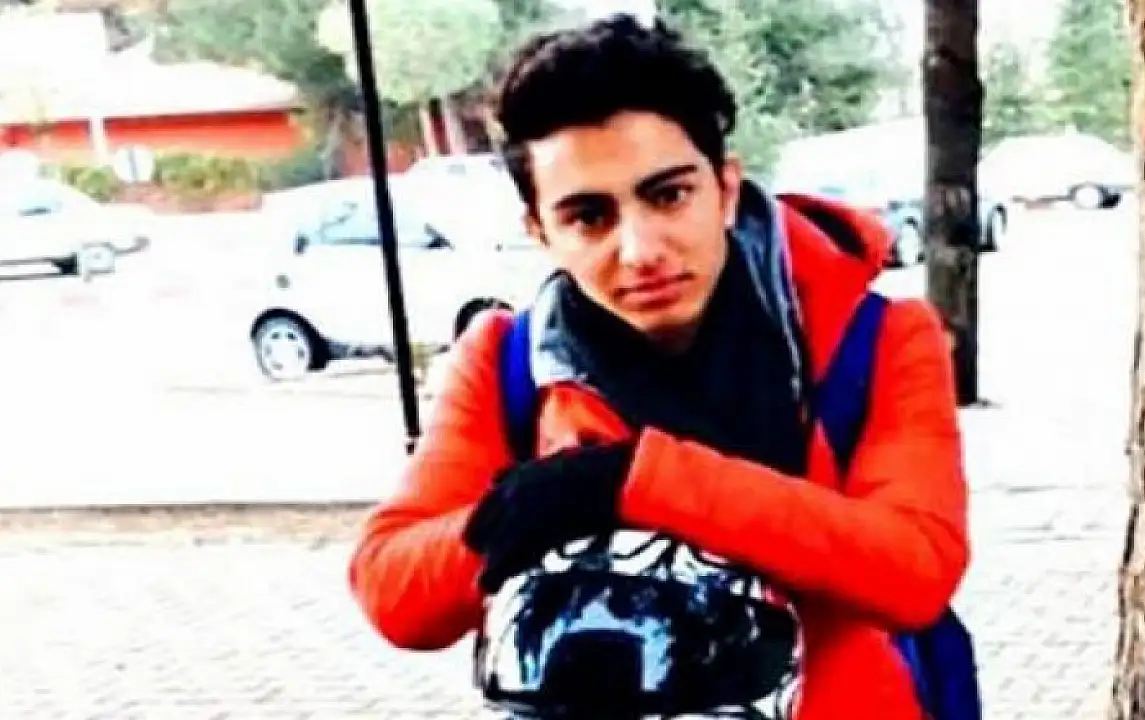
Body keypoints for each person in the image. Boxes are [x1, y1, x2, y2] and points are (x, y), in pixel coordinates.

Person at [349, 14, 970, 720]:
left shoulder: (873, 337)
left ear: (725, 190)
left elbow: (915, 569)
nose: (641, 250)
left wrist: (629, 481)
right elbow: (393, 589)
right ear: (540, 232)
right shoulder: (506, 364)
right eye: (589, 217)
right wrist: (533, 510)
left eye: (668, 195)